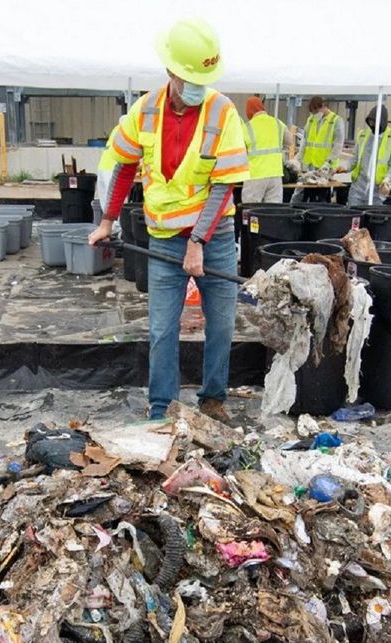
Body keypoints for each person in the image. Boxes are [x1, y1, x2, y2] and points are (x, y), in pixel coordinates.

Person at [87, 17, 249, 422]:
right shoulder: (145, 110)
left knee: (221, 326)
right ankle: (161, 410)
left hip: (213, 236)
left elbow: (224, 185)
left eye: (203, 79)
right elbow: (125, 165)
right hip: (163, 237)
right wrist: (107, 221)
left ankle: (212, 400)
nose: (197, 87)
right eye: (189, 78)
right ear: (170, 71)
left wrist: (198, 242)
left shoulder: (222, 111)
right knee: (162, 330)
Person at [341, 105, 391, 207]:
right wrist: (345, 168)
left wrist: (386, 180)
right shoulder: (363, 134)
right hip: (358, 188)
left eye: (374, 122)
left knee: (374, 215)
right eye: (370, 122)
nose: (372, 125)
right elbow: (355, 158)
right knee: (354, 214)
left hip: (378, 191)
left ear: (381, 122)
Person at [241, 96, 294, 203]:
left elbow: (240, 151)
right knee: (273, 209)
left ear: (249, 111)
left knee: (251, 208)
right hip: (275, 174)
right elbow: (290, 141)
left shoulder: (247, 127)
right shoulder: (278, 123)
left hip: (255, 175)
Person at [291, 96, 344, 202]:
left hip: (323, 169)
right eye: (313, 112)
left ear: (323, 106)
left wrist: (328, 163)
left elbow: (338, 146)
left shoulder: (336, 121)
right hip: (308, 167)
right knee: (298, 195)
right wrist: (297, 160)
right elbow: (304, 143)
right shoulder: (311, 120)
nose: (315, 114)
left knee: (320, 198)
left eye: (316, 111)